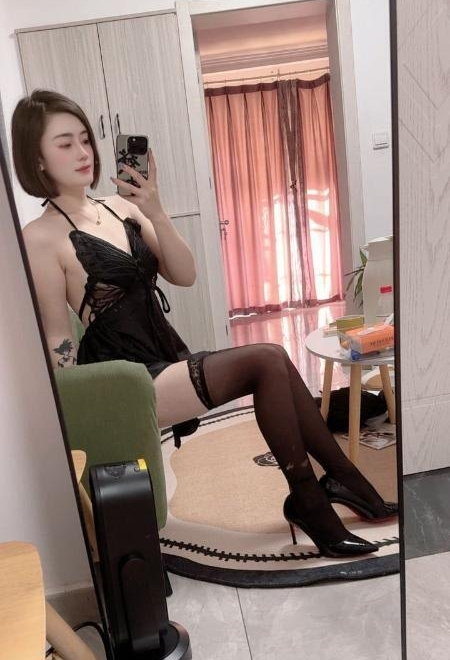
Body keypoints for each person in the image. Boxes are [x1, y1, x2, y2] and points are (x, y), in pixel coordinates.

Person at [11, 89, 397, 559]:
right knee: (266, 359)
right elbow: (57, 335)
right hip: (127, 380)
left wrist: (155, 208)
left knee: (274, 362)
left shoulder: (121, 208)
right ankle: (314, 498)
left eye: (85, 139)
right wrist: (81, 412)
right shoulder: (40, 238)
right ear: (37, 158)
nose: (83, 152)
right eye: (65, 143)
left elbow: (185, 274)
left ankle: (340, 482)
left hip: (164, 357)